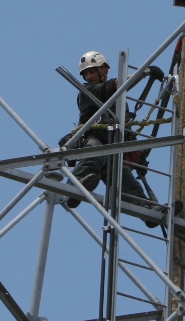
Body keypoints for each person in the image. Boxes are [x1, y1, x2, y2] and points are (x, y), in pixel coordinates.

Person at [66, 51, 165, 224]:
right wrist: (144, 72)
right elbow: (119, 85)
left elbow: (125, 128)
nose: (89, 76)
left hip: (115, 146)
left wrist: (137, 156)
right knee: (92, 158)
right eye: (86, 73)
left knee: (127, 182)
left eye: (92, 72)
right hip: (97, 139)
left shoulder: (120, 103)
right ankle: (73, 189)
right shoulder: (87, 91)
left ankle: (147, 211)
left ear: (103, 70)